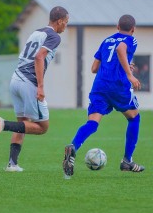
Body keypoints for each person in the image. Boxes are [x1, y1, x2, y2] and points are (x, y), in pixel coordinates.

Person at [62, 14, 145, 178]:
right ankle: (127, 161)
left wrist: (123, 66)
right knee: (134, 118)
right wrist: (129, 74)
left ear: (117, 26)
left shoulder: (106, 41)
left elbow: (94, 68)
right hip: (118, 86)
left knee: (92, 123)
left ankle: (73, 146)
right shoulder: (131, 40)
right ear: (133, 29)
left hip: (100, 85)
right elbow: (121, 49)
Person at [0, 6, 69, 171]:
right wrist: (40, 86)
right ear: (60, 21)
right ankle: (3, 124)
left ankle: (12, 164)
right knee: (42, 127)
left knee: (23, 124)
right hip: (29, 83)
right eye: (66, 23)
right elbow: (39, 57)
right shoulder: (54, 36)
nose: (65, 26)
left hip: (16, 80)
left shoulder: (36, 32)